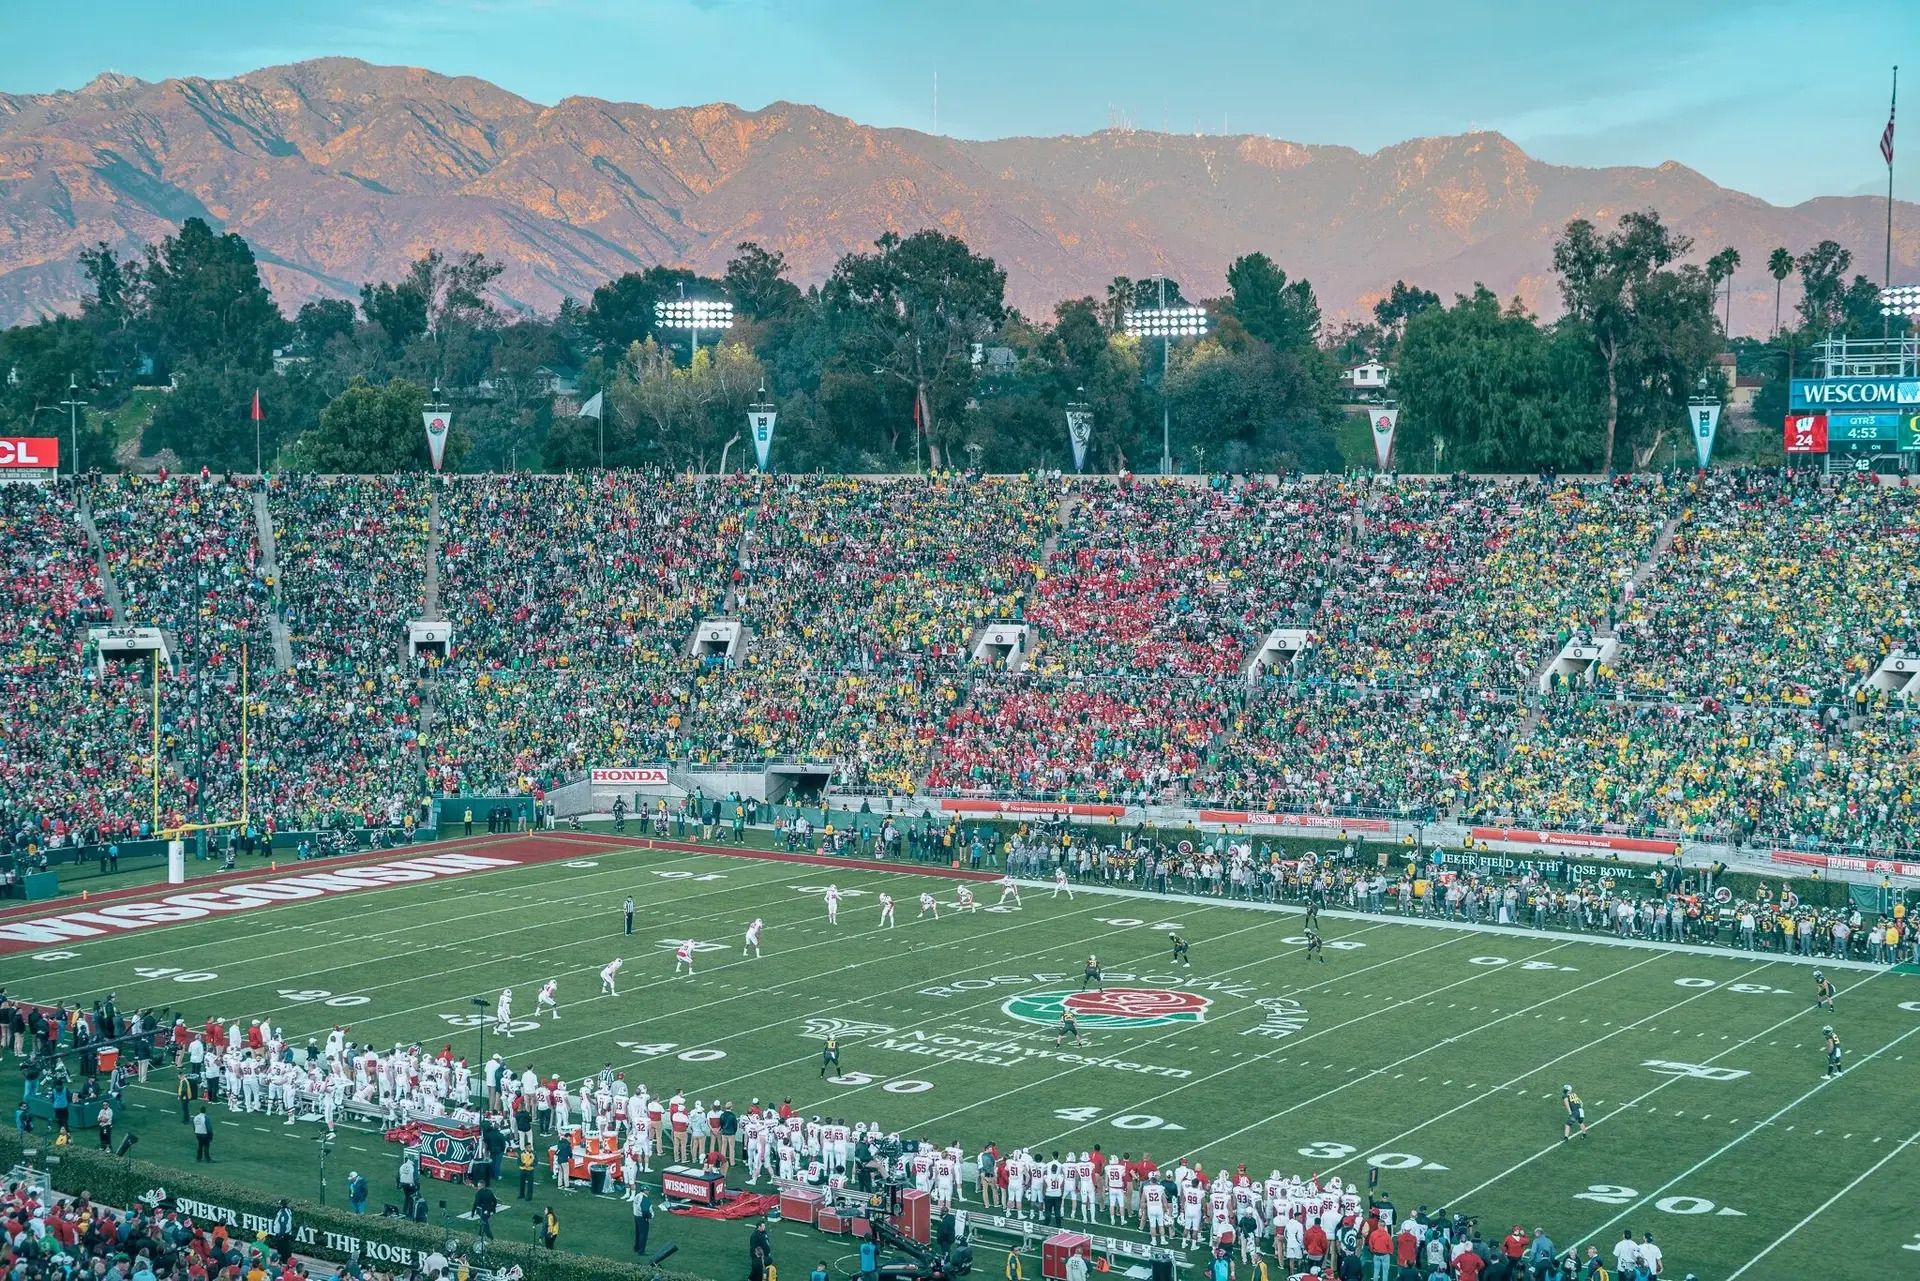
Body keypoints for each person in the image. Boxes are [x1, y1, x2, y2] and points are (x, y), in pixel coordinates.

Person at [633, 1185, 653, 1255]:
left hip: (636, 1216)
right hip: (642, 1218)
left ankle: (636, 1247)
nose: (649, 1191)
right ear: (644, 1191)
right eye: (648, 1190)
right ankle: (641, 1251)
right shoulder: (644, 1198)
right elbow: (645, 1211)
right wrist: (649, 1216)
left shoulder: (637, 1195)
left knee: (638, 1233)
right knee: (643, 1235)